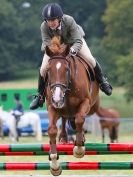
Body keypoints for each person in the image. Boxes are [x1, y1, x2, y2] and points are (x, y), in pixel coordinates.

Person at [30, 3, 112, 110]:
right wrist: (56, 52)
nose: (50, 23)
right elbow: (46, 43)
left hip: (74, 43)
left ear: (59, 18)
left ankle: (102, 81)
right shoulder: (44, 26)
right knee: (43, 68)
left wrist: (72, 50)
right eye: (48, 20)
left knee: (90, 59)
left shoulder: (69, 20)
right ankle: (40, 95)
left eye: (53, 20)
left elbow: (78, 41)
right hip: (56, 47)